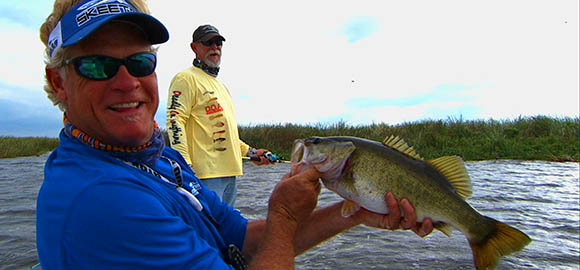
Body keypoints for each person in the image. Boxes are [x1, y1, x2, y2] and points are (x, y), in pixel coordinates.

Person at [36, 0, 433, 269]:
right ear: (59, 82)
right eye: (97, 67)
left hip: (210, 174)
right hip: (204, 170)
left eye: (140, 62)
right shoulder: (103, 201)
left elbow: (241, 239)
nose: (127, 83)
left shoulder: (154, 160)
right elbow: (175, 121)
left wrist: (356, 213)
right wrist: (282, 213)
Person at [166, 24, 270, 207]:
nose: (215, 47)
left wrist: (251, 153)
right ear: (194, 47)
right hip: (204, 176)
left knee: (224, 232)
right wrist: (185, 164)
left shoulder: (222, 87)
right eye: (208, 43)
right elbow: (175, 121)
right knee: (206, 230)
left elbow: (227, 135)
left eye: (218, 43)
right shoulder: (185, 78)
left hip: (230, 173)